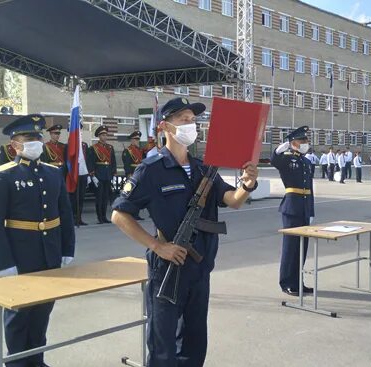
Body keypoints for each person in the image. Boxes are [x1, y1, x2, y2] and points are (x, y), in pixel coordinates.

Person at [111, 97, 258, 366]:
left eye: (194, 120)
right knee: (163, 346)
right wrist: (158, 246)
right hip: (168, 266)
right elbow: (119, 214)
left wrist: (247, 184)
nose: (192, 125)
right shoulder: (151, 170)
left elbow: (233, 200)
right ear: (166, 126)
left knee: (194, 341)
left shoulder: (204, 168)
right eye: (184, 120)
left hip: (200, 267)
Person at [0, 114, 75, 367]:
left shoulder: (53, 173)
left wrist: (68, 248)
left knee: (42, 311)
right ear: (14, 145)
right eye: (28, 137)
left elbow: (65, 214)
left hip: (50, 254)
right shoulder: (3, 176)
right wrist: (3, 263)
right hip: (20, 257)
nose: (35, 141)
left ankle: (36, 360)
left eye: (37, 137)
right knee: (19, 315)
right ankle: (16, 363)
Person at [271, 125, 314, 296]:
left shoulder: (306, 161)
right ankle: (287, 282)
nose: (305, 142)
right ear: (293, 143)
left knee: (302, 247)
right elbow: (275, 161)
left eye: (306, 140)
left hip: (304, 208)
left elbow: (310, 188)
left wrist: (311, 211)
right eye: (302, 140)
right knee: (291, 247)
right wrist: (277, 151)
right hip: (291, 207)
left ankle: (298, 282)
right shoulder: (287, 159)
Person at [87, 125, 117, 224]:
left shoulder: (110, 147)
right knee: (99, 197)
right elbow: (90, 162)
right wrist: (92, 175)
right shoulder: (93, 148)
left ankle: (104, 216)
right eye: (102, 135)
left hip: (108, 174)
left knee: (105, 198)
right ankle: (99, 217)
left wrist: (113, 173)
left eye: (105, 135)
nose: (104, 137)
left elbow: (113, 161)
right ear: (99, 136)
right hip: (99, 174)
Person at [122, 131, 145, 220]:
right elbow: (126, 163)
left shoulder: (140, 150)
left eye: (138, 139)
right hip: (132, 174)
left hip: (139, 173)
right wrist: (128, 174)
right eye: (135, 139)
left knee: (138, 195)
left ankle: (136, 213)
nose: (137, 141)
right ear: (131, 140)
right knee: (130, 195)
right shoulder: (127, 150)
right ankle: (130, 213)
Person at [69, 139, 89, 226]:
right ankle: (73, 218)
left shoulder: (84, 145)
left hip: (83, 173)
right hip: (73, 174)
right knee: (73, 198)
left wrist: (89, 173)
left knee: (81, 197)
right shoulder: (69, 145)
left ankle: (79, 218)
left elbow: (87, 159)